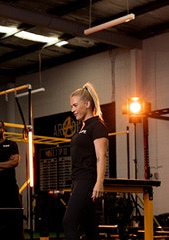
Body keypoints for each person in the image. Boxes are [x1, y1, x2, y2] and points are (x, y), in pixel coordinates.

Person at [62, 82, 109, 240]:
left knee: (69, 223)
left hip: (87, 180)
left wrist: (99, 182)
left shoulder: (97, 126)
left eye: (75, 105)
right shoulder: (83, 128)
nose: (72, 110)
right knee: (89, 227)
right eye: (71, 106)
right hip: (77, 181)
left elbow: (101, 156)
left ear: (87, 104)